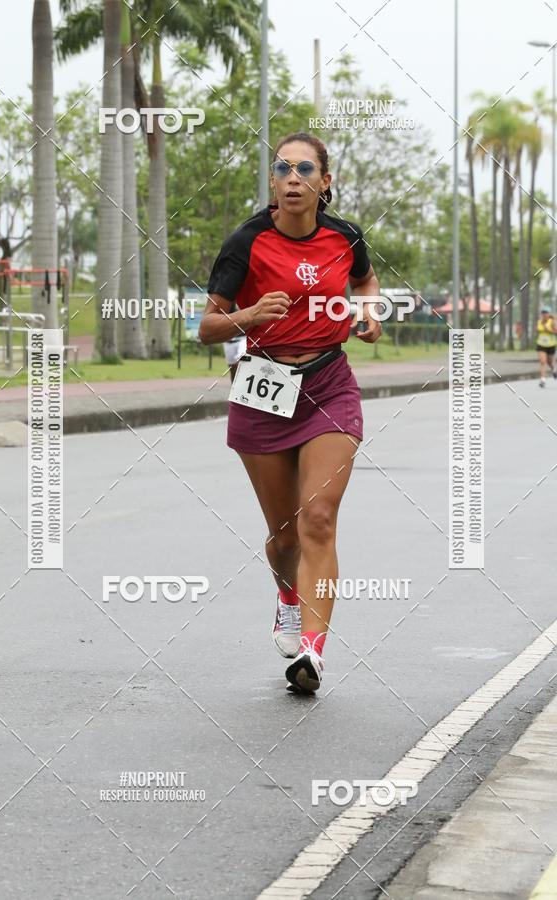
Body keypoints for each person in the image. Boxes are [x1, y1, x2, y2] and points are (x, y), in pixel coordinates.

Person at [199, 131, 382, 693]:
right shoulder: (246, 241)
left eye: (305, 169)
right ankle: (286, 595)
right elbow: (208, 327)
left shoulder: (345, 236)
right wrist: (250, 315)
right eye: (283, 169)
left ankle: (312, 652)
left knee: (318, 518)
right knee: (284, 538)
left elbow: (365, 281)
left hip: (328, 383)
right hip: (265, 388)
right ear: (273, 181)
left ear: (325, 181)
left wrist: (369, 313)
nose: (293, 178)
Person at [222, 301, 247, 382]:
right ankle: (234, 387)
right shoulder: (228, 303)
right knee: (232, 368)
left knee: (241, 361)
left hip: (242, 339)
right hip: (229, 341)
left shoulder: (246, 302)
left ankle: (243, 383)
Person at [536, 305, 557, 387]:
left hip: (551, 345)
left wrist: (549, 330)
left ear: (549, 314)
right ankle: (542, 380)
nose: (544, 314)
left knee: (550, 362)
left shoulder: (552, 321)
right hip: (541, 344)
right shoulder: (539, 321)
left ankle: (554, 370)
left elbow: (556, 332)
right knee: (542, 361)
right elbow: (537, 330)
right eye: (543, 312)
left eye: (546, 312)